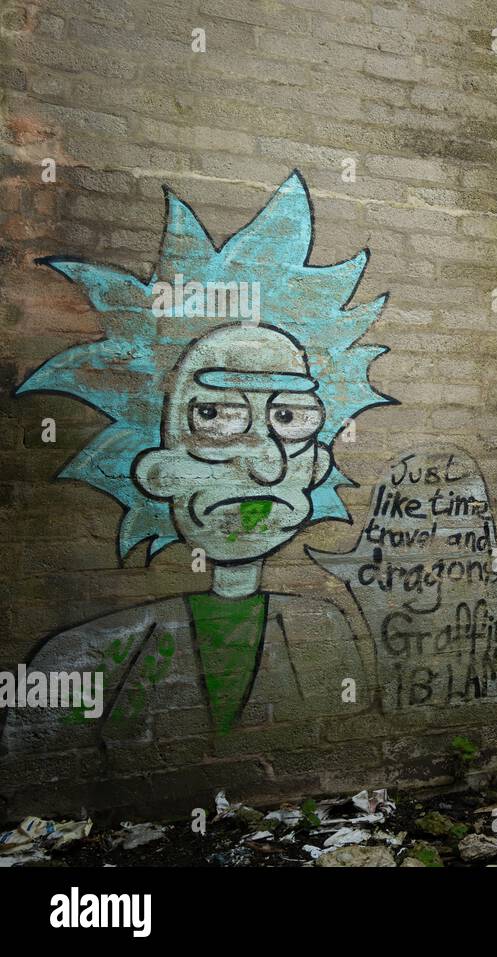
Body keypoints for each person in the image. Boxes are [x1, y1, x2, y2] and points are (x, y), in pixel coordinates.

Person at [1, 172, 391, 773]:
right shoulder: (76, 659)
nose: (264, 463)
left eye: (290, 416)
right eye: (215, 415)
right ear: (155, 463)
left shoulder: (325, 631)